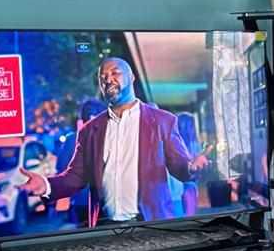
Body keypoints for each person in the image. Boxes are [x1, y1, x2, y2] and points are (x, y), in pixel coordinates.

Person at [17, 57, 208, 223]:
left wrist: (191, 167)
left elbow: (178, 165)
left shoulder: (162, 121)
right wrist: (47, 185)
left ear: (131, 77)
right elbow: (76, 177)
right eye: (103, 77)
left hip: (152, 223)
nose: (108, 79)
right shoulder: (89, 131)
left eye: (115, 73)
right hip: (105, 227)